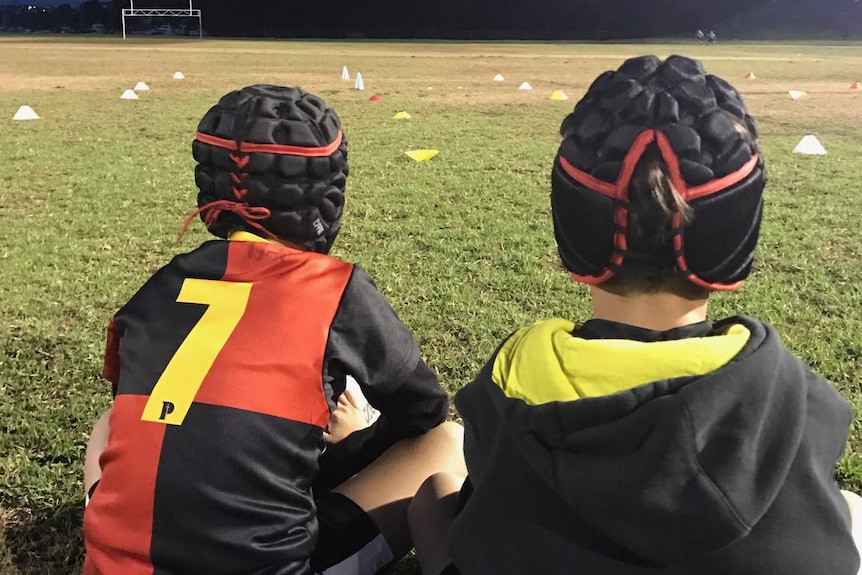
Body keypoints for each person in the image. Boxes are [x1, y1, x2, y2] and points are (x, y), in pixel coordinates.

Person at [408, 55, 862, 575]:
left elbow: (486, 493)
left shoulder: (516, 372)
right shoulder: (790, 390)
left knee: (435, 497)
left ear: (573, 241)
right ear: (737, 246)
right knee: (851, 510)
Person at [82, 84, 466, 575]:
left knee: (108, 423)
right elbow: (426, 413)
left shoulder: (159, 287)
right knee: (447, 442)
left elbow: (143, 406)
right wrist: (349, 446)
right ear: (327, 199)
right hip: (274, 561)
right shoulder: (337, 292)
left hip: (118, 563)